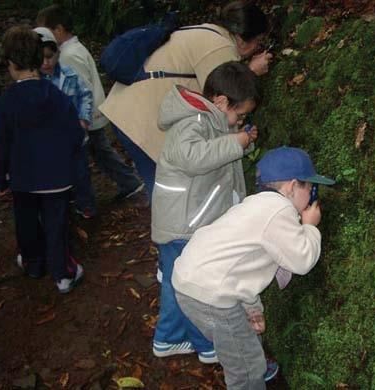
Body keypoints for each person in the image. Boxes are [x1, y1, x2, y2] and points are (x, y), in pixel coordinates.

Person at [172, 146, 335, 388]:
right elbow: (302, 260)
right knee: (245, 370)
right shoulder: (279, 211)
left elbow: (240, 262)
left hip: (196, 282)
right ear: (292, 186)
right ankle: (250, 372)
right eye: (309, 186)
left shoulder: (256, 204)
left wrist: (252, 307)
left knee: (242, 346)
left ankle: (250, 358)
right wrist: (310, 226)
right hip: (211, 297)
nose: (312, 192)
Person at [99, 0, 273, 199]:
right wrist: (252, 71)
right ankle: (170, 228)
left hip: (127, 110)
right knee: (168, 192)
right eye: (258, 41)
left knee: (160, 186)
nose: (258, 47)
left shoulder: (206, 32)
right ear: (242, 39)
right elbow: (223, 98)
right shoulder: (220, 47)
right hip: (141, 119)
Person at [151, 61, 259, 365]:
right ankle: (204, 343)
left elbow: (220, 162)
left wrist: (242, 143)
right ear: (222, 102)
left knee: (178, 282)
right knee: (191, 287)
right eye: (240, 115)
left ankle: (168, 337)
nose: (240, 121)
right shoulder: (192, 122)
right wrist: (235, 142)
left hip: (190, 221)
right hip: (182, 225)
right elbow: (192, 157)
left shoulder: (212, 121)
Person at [0, 26, 85, 293]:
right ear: (37, 58)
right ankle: (63, 274)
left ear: (11, 63)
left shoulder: (6, 101)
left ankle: (33, 263)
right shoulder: (56, 96)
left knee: (26, 222)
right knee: (57, 227)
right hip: (57, 178)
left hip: (23, 179)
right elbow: (75, 135)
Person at [36, 5, 145, 206]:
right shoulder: (71, 50)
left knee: (97, 153)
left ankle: (127, 183)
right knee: (100, 152)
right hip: (88, 114)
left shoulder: (67, 55)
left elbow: (80, 88)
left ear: (58, 29)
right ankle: (127, 182)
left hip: (84, 117)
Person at [33, 26, 96, 218]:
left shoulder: (69, 74)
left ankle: (85, 204)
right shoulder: (34, 82)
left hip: (75, 136)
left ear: (58, 53)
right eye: (42, 58)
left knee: (81, 173)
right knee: (56, 176)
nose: (47, 62)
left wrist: (84, 119)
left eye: (50, 57)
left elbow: (85, 95)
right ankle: (62, 206)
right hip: (50, 141)